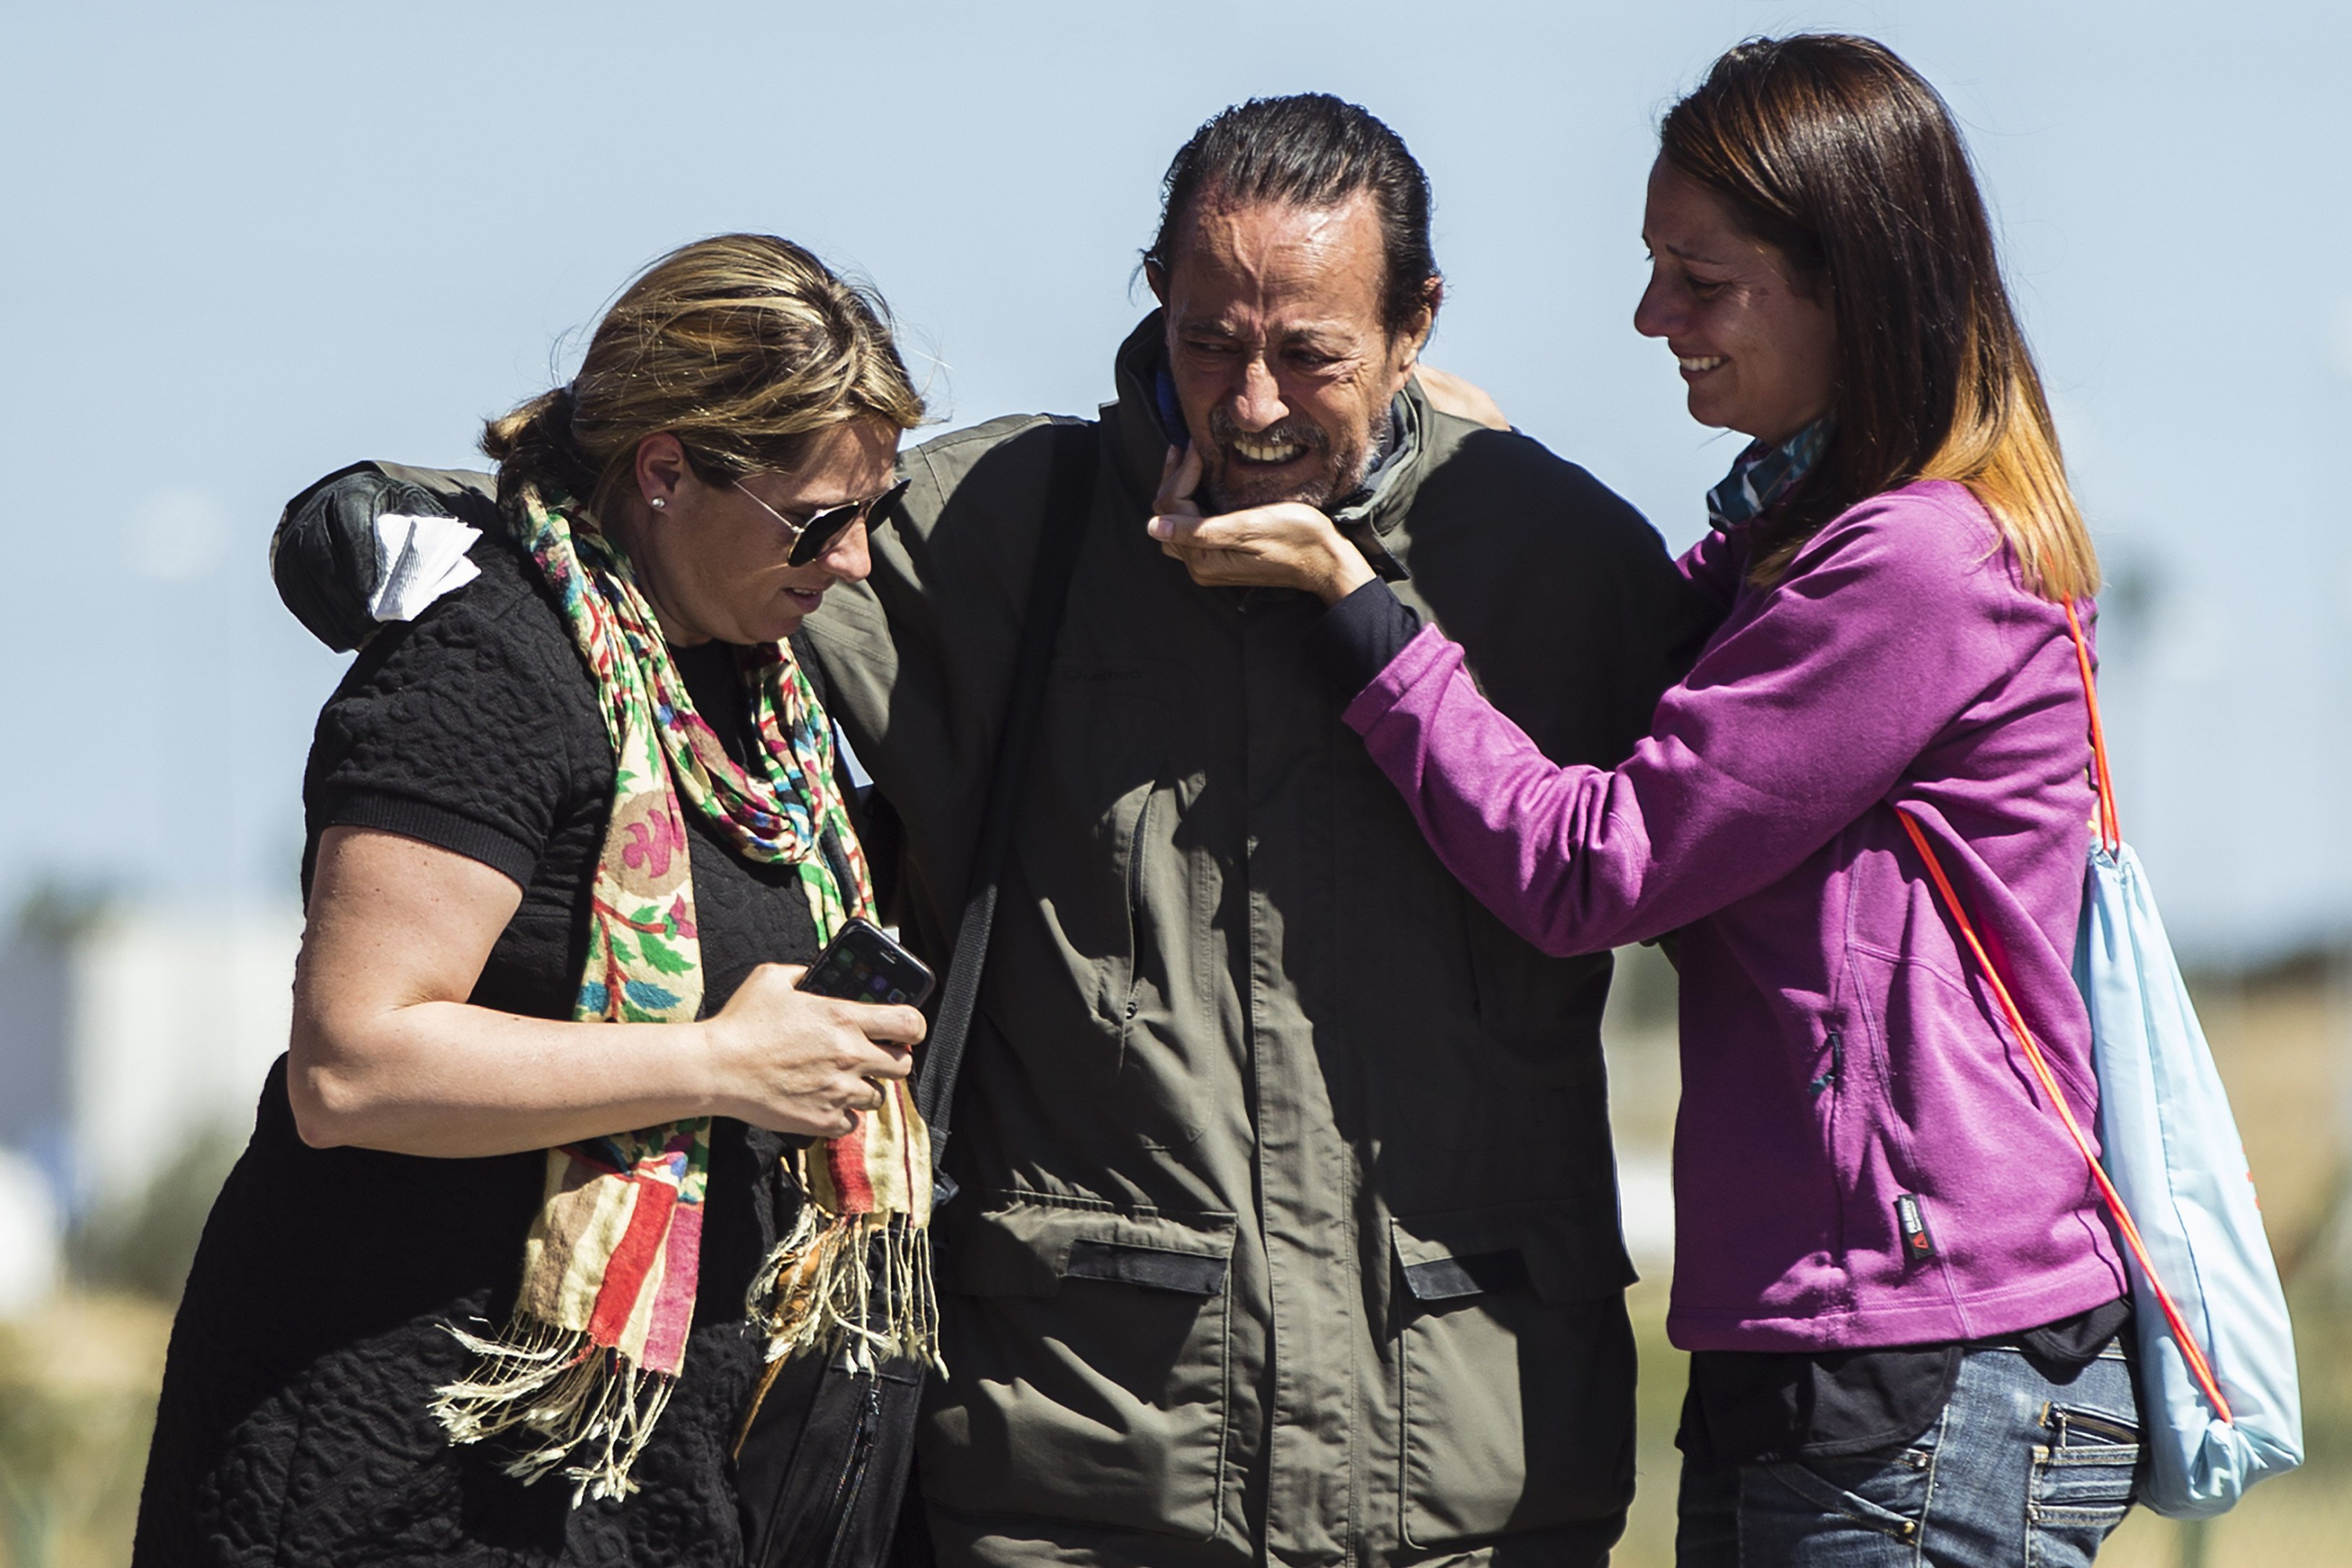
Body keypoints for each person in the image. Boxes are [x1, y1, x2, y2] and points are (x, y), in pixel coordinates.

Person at [280, 96, 1711, 1566]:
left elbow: (1758, 836)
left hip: (1480, 1490)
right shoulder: (1001, 525)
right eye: (1210, 342)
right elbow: (696, 524)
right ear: (1156, 296)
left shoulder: (1563, 562)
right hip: (1076, 1481)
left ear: (1416, 325)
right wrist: (399, 532)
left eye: (1313, 357)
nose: (1254, 405)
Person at [1152, 37, 2141, 1568]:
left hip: (1913, 1365)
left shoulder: (1911, 568)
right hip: (1841, 1347)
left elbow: (1593, 867)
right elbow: (1651, 651)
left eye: (1702, 277)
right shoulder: (1803, 559)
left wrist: (1354, 597)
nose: (1652, 316)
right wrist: (1452, 456)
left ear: (1853, 283)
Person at [136, 234, 936, 1566]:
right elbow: (354, 1063)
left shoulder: (755, 692)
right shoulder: (482, 664)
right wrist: (721, 1063)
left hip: (619, 1477)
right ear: (666, 470)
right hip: (398, 1471)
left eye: (878, 513)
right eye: (819, 521)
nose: (853, 562)